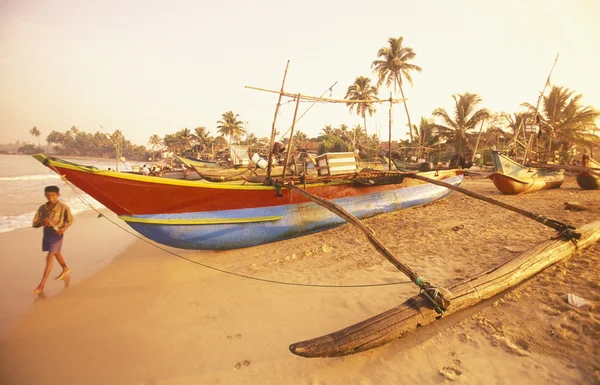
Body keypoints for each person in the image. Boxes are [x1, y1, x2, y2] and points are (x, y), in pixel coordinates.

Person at [32, 186, 74, 294]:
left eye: (53, 195)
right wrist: (43, 222)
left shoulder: (63, 207)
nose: (50, 198)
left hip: (57, 234)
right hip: (47, 233)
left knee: (50, 256)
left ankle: (41, 285)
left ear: (58, 195)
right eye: (48, 195)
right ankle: (65, 268)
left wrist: (63, 229)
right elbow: (35, 223)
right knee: (56, 252)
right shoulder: (42, 208)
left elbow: (70, 221)